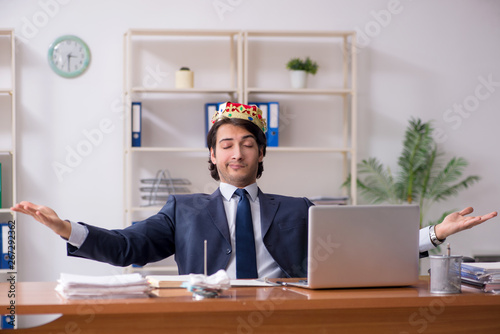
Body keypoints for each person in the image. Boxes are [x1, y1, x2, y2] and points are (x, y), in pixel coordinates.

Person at [12, 102, 498, 279]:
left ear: (261, 155)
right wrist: (67, 228)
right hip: (205, 316)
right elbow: (126, 248)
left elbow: (363, 251)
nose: (237, 153)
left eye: (248, 144)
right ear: (212, 157)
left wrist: (433, 232)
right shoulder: (182, 209)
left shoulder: (298, 209)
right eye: (226, 145)